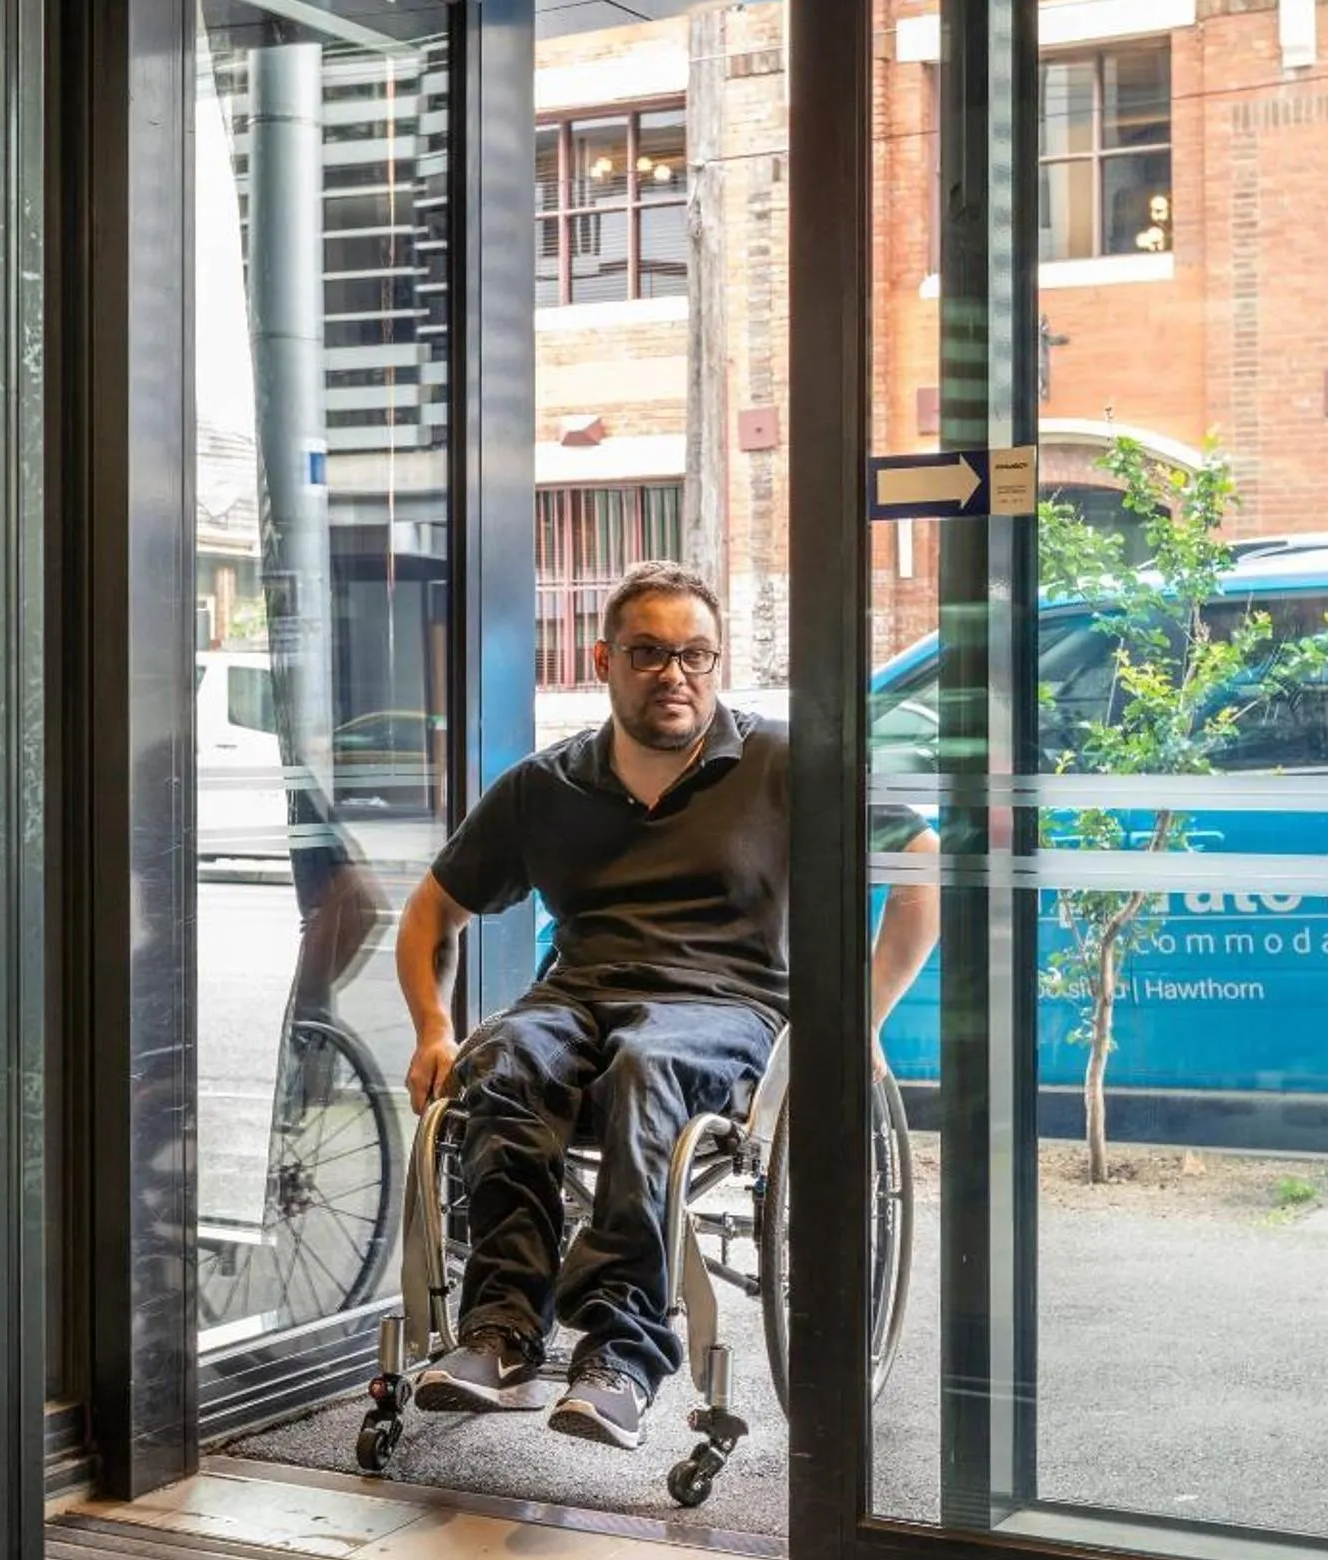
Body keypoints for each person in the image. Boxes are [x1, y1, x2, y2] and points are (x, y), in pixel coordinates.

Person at [394, 560, 941, 1450]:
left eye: (696, 655)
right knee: (504, 1063)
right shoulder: (546, 785)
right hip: (577, 999)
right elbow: (431, 915)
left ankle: (621, 1354)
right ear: (603, 660)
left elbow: (919, 859)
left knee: (647, 1068)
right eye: (648, 653)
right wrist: (433, 1029)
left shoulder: (785, 765)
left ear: (718, 662)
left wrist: (859, 1020)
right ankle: (501, 1333)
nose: (674, 674)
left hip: (725, 1008)